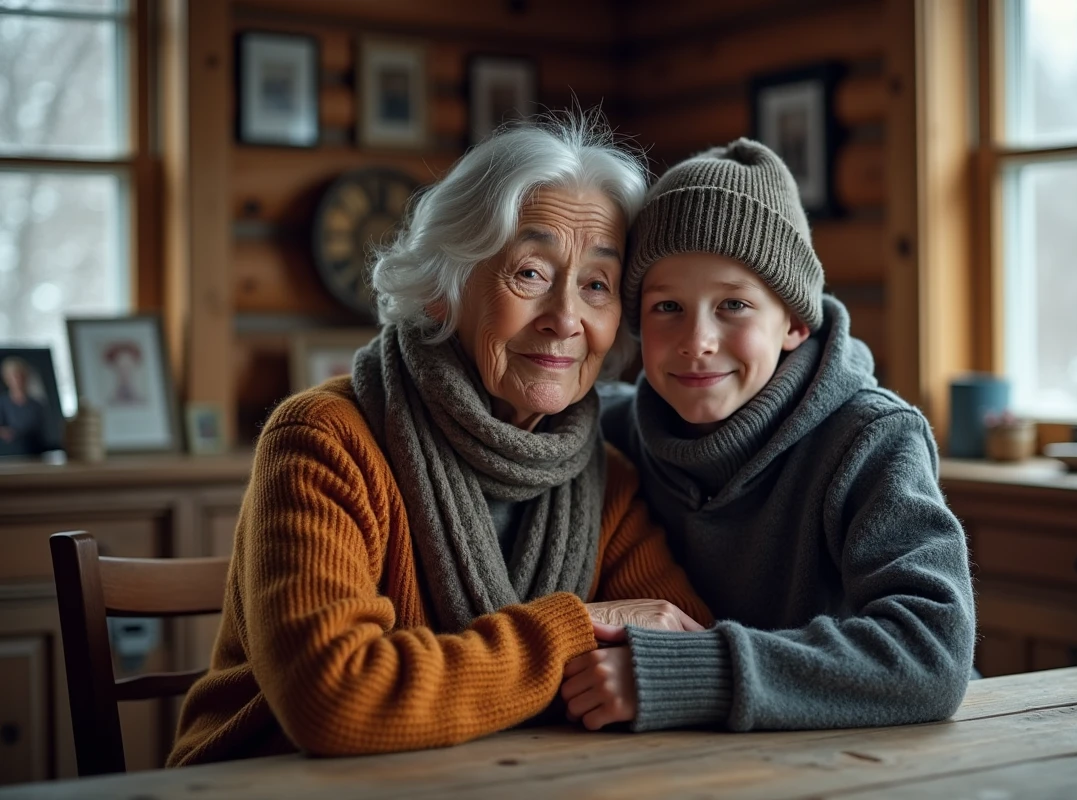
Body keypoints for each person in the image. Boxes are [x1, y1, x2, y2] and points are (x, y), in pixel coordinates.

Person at [169, 113, 712, 766]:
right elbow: (336, 698)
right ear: (440, 290)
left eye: (596, 285)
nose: (565, 318)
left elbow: (685, 649)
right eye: (531, 273)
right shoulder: (321, 440)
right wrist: (580, 631)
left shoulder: (607, 479)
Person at [566, 138, 975, 732]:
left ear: (795, 322)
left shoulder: (871, 440)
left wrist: (691, 673)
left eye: (733, 305)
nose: (697, 339)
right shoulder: (611, 432)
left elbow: (932, 654)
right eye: (666, 307)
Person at [0, 356, 48, 454]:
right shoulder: (2, 403)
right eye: (14, 376)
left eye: (21, 375)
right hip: (10, 453)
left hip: (35, 452)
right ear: (7, 379)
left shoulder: (37, 405)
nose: (18, 379)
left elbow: (42, 432)